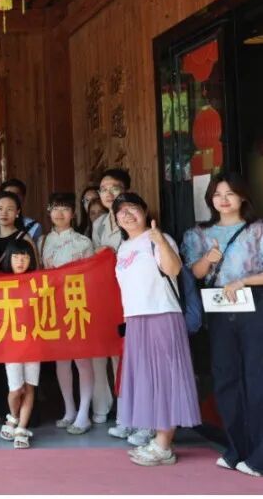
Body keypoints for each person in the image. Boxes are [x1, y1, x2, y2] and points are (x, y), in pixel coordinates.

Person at [111, 193, 201, 466]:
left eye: (132, 208)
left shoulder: (159, 239)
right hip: (136, 319)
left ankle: (164, 445)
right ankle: (158, 438)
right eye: (121, 211)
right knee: (148, 379)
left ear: (145, 211)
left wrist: (160, 240)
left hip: (162, 314)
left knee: (165, 378)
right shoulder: (124, 247)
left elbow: (173, 269)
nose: (127, 214)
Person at [182, 173, 263, 477]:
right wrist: (209, 258)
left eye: (230, 193)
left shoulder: (257, 230)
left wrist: (244, 281)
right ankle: (236, 449)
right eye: (217, 194)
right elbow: (195, 273)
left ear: (243, 196)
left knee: (256, 378)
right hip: (218, 310)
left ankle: (259, 456)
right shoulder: (198, 234)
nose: (223, 199)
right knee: (225, 377)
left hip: (254, 306)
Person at [39, 192, 96, 435]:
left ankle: (84, 413)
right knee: (61, 359)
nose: (59, 213)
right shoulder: (42, 241)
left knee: (82, 359)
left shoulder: (83, 242)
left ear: (73, 213)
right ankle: (69, 409)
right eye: (55, 208)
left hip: (77, 304)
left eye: (65, 209)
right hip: (53, 304)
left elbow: (92, 276)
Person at [92, 169, 141, 442]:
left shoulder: (133, 216)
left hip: (131, 298)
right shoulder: (99, 223)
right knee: (111, 355)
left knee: (128, 359)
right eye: (103, 189)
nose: (108, 193)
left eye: (114, 188)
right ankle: (119, 414)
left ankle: (135, 417)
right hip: (107, 297)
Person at [0, 239, 40, 449]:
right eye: (15, 256)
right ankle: (13, 417)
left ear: (31, 259)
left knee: (30, 386)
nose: (20, 261)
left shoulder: (38, 281)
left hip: (34, 342)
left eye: (24, 257)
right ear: (9, 259)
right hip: (11, 344)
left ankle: (21, 428)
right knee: (16, 388)